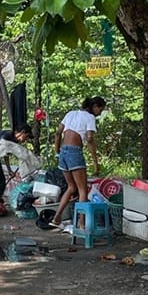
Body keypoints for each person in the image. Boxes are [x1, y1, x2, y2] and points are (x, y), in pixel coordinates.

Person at [50, 96, 107, 232]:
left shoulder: (70, 113)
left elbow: (58, 133)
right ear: (94, 106)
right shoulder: (90, 117)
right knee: (83, 189)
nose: (99, 113)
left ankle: (56, 218)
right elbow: (90, 138)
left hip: (63, 152)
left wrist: (57, 152)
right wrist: (95, 162)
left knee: (71, 187)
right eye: (100, 110)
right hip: (75, 152)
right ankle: (82, 223)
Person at [0, 123, 33, 200]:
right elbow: (3, 150)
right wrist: (9, 169)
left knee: (1, 181)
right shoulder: (7, 136)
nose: (26, 140)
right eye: (26, 136)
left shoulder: (14, 140)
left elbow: (6, 154)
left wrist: (9, 170)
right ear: (22, 132)